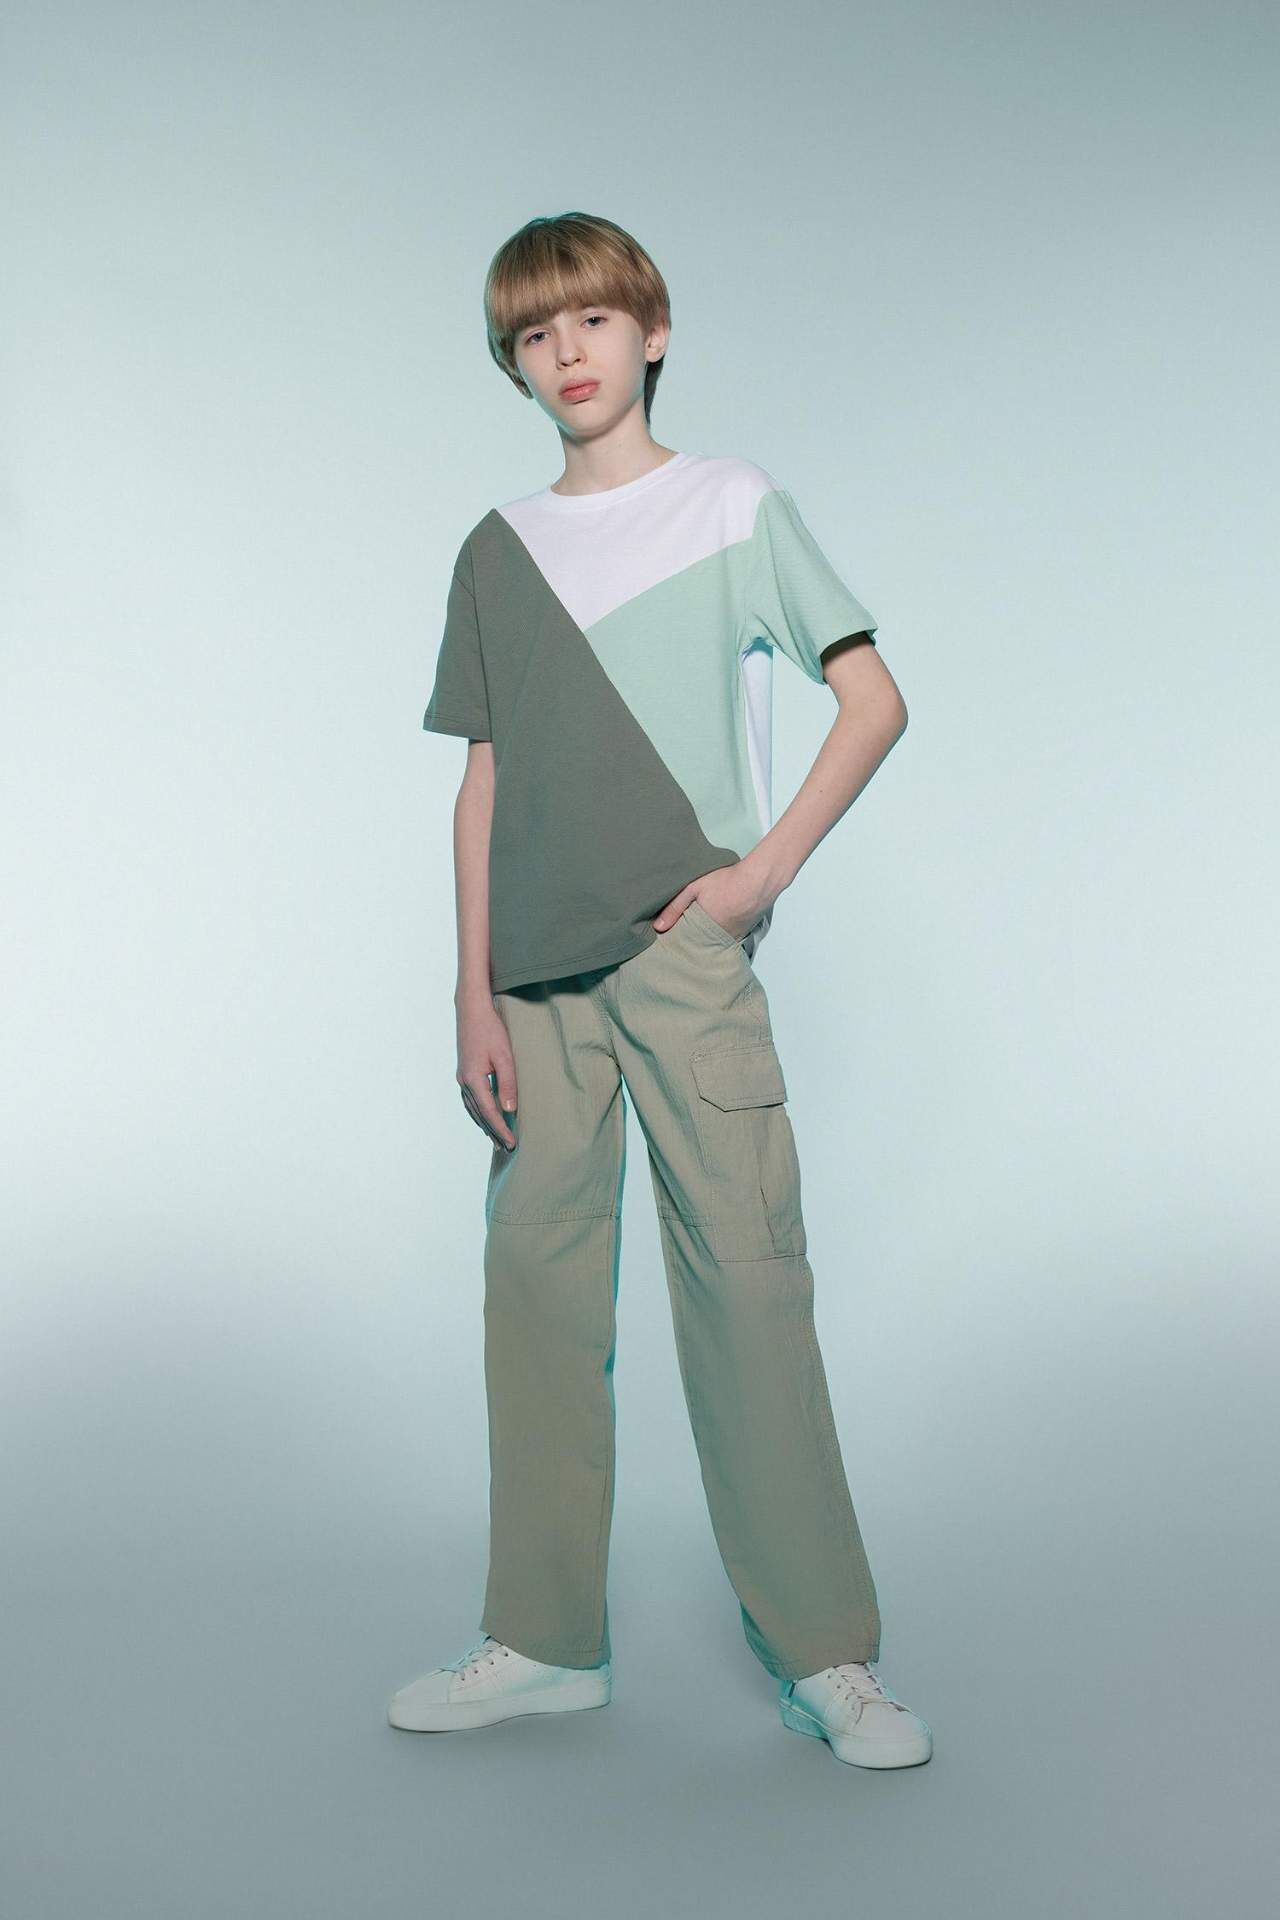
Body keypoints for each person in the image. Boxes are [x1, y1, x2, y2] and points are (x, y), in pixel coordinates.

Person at [388, 211, 933, 1770]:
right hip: (532, 985)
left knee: (749, 1288)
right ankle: (548, 1641)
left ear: (653, 331)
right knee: (537, 1301)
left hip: (683, 957)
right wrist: (471, 994)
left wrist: (759, 876)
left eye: (590, 321)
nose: (564, 352)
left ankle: (827, 1657)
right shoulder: (497, 548)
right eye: (531, 334)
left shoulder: (730, 503)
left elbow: (872, 700)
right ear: (511, 364)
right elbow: (484, 781)